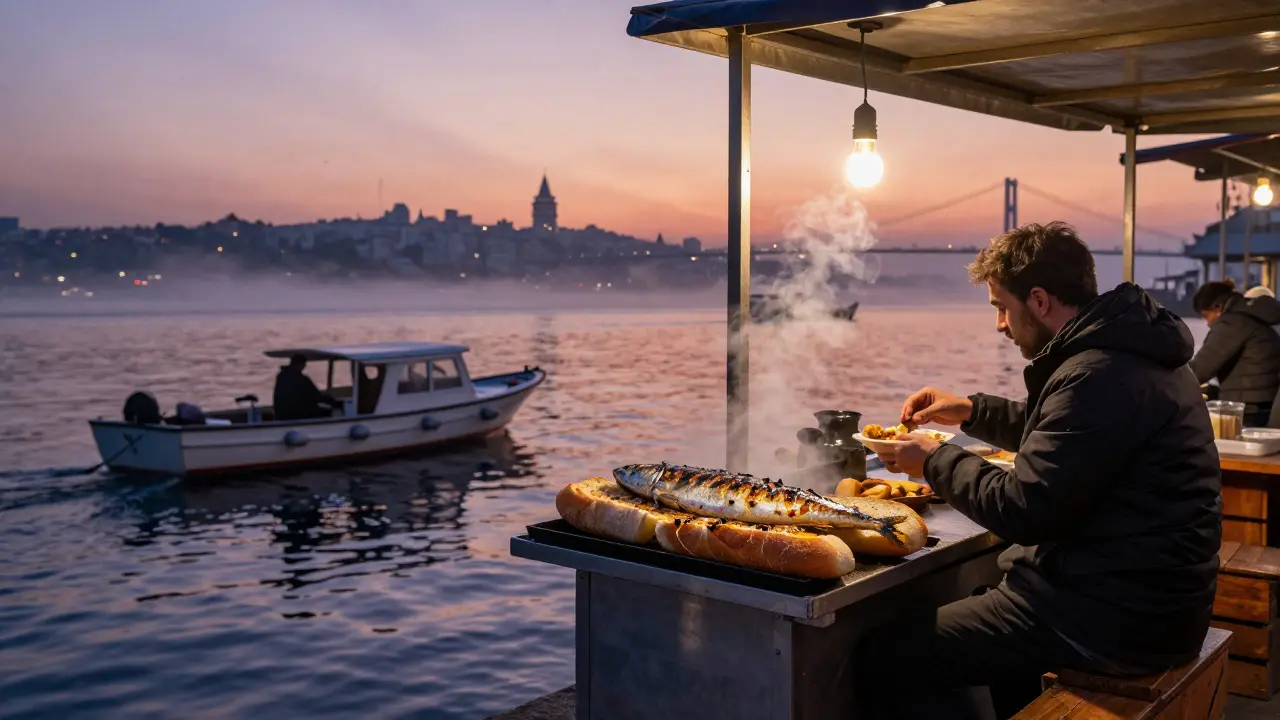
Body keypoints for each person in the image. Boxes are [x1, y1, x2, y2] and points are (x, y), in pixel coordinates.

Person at [861, 222, 1222, 720]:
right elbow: (1067, 437)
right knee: (984, 603)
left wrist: (933, 460)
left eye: (1001, 308)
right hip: (1151, 601)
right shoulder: (1129, 351)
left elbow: (1023, 510)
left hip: (1115, 619)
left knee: (886, 656)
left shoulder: (1096, 373)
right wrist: (971, 410)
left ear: (1038, 300)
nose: (1000, 325)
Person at [1189, 280, 1280, 426]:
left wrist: (1169, 380)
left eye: (1207, 316)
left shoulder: (1231, 323)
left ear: (1218, 306)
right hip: (1264, 402)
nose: (1208, 324)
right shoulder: (1252, 316)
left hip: (1245, 408)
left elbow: (1202, 367)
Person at [273, 354, 339, 421]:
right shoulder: (302, 379)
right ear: (299, 364)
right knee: (327, 412)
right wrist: (333, 402)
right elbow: (316, 396)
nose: (304, 367)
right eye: (303, 365)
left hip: (281, 414)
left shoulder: (281, 377)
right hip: (298, 413)